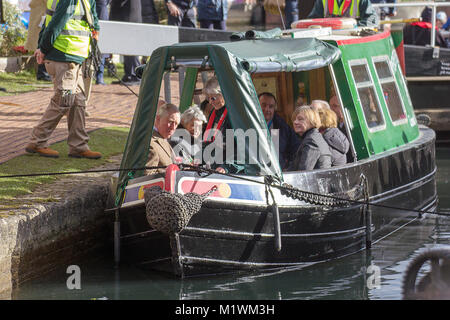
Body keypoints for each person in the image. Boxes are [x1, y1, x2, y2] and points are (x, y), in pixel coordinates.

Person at [25, 0, 102, 159]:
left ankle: (78, 146)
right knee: (64, 100)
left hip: (75, 57)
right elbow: (56, 23)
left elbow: (91, 20)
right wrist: (43, 48)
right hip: (63, 56)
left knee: (78, 101)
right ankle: (37, 141)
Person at [110, 0, 159, 85]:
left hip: (129, 14)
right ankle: (129, 75)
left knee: (131, 46)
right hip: (125, 13)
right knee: (125, 46)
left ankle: (135, 76)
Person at [258, 92, 300, 170]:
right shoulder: (245, 125)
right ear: (256, 105)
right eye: (263, 105)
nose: (267, 109)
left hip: (278, 173)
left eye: (271, 107)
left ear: (274, 109)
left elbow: (296, 151)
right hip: (253, 175)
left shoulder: (283, 128)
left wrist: (287, 167)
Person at [287, 105, 332, 171]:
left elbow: (304, 172)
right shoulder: (312, 136)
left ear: (312, 121)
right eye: (294, 119)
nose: (295, 122)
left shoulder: (311, 141)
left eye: (300, 119)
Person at [146, 103, 181, 175]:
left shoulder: (162, 138)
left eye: (176, 124)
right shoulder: (150, 143)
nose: (173, 127)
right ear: (158, 119)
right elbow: (147, 177)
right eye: (170, 122)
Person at [24, 0, 51, 81]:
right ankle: (43, 73)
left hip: (42, 14)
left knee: (43, 44)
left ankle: (43, 73)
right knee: (43, 44)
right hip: (42, 16)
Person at [307, 0, 379, 27]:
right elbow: (312, 21)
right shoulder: (322, 1)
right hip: (329, 42)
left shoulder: (361, 1)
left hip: (352, 41)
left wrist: (353, 26)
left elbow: (373, 20)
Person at [94, 0, 111, 85]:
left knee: (102, 46)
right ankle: (99, 77)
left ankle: (99, 76)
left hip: (100, 10)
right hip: (99, 10)